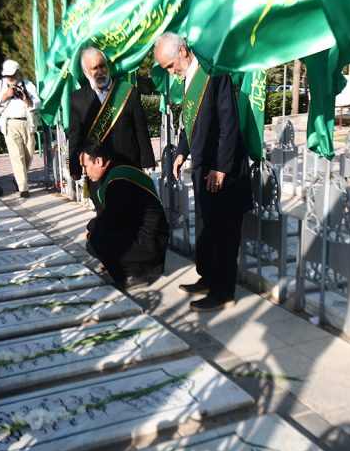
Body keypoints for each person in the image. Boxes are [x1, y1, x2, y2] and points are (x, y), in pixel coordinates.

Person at [154, 32, 253, 312]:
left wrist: (221, 167)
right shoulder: (190, 78)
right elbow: (191, 122)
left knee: (223, 234)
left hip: (224, 174)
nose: (171, 73)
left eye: (171, 65)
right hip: (203, 171)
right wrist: (181, 153)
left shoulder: (214, 73)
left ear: (183, 52)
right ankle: (208, 279)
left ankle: (223, 293)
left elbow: (229, 124)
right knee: (207, 229)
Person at [68, 46, 155, 208]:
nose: (100, 71)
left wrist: (147, 161)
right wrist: (75, 166)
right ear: (86, 72)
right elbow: (75, 136)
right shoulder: (77, 99)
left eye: (103, 66)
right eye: (95, 68)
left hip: (128, 165)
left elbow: (141, 130)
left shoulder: (128, 92)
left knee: (131, 213)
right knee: (105, 215)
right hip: (98, 170)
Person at [81, 141, 168, 289]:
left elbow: (110, 220)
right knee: (97, 236)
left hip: (150, 238)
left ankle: (134, 275)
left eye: (85, 166)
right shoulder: (117, 170)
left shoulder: (118, 181)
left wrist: (91, 227)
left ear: (99, 161)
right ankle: (129, 267)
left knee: (96, 238)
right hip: (147, 233)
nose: (84, 172)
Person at [0, 59, 40, 198]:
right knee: (17, 156)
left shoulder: (28, 85)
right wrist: (5, 96)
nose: (10, 78)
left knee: (29, 153)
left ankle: (18, 178)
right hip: (9, 124)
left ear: (19, 73)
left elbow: (38, 103)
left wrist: (27, 99)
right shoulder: (0, 85)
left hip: (28, 123)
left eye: (12, 75)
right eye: (7, 76)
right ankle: (23, 188)